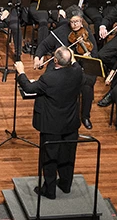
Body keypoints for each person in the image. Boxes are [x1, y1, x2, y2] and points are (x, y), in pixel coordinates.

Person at [14, 46, 83, 199]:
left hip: (52, 125)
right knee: (68, 155)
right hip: (71, 122)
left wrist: (21, 72)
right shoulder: (78, 71)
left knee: (49, 158)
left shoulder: (49, 79)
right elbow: (72, 62)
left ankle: (49, 190)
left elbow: (29, 87)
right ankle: (66, 185)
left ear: (56, 60)